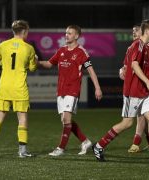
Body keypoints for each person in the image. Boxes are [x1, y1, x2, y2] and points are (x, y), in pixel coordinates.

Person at [92, 19, 149, 162]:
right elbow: (134, 65)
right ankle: (99, 146)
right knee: (127, 123)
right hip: (134, 91)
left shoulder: (146, 46)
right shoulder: (137, 45)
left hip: (144, 92)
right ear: (147, 31)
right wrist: (148, 82)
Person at [36, 25, 102, 156]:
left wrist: (98, 88)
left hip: (72, 89)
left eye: (70, 33)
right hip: (61, 90)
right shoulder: (61, 50)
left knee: (66, 119)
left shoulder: (81, 52)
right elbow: (49, 64)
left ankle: (61, 148)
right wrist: (36, 62)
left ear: (77, 36)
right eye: (66, 33)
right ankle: (85, 141)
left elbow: (91, 71)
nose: (66, 35)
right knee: (66, 120)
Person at [0, 20, 37, 158]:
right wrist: (35, 60)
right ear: (24, 31)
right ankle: (22, 150)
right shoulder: (29, 48)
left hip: (5, 87)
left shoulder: (3, 45)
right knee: (22, 118)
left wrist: (5, 62)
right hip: (19, 88)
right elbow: (32, 68)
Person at [120, 25, 149, 153]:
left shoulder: (147, 47)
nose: (133, 32)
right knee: (145, 115)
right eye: (132, 30)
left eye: (136, 30)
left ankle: (136, 143)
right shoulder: (131, 47)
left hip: (143, 85)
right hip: (133, 85)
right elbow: (125, 66)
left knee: (139, 117)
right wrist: (121, 71)